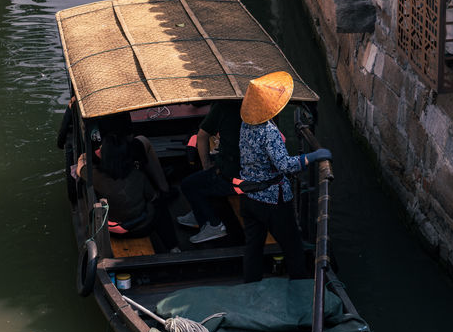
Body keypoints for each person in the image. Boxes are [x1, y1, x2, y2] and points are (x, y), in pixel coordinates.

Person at [237, 71, 332, 283]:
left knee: (253, 246)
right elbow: (285, 165)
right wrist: (313, 156)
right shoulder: (268, 131)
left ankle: (250, 285)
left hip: (249, 196)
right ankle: (299, 284)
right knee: (292, 245)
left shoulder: (246, 124)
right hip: (272, 200)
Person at [77, 121, 178, 252]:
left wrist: (85, 157)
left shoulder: (94, 175)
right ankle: (173, 247)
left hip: (112, 230)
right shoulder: (138, 175)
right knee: (160, 206)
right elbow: (152, 197)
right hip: (141, 227)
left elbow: (81, 165)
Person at [177, 100, 242, 245]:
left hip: (233, 177)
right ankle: (198, 212)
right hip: (248, 172)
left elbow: (202, 136)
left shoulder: (222, 105)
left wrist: (206, 165)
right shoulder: (252, 106)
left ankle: (213, 224)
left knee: (189, 184)